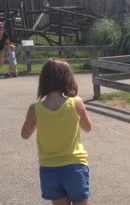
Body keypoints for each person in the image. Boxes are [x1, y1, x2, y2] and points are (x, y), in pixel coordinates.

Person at [21, 59, 92, 205]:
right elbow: (88, 127)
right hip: (75, 166)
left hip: (49, 168)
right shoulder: (76, 103)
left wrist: (38, 121)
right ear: (67, 79)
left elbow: (25, 134)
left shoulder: (35, 109)